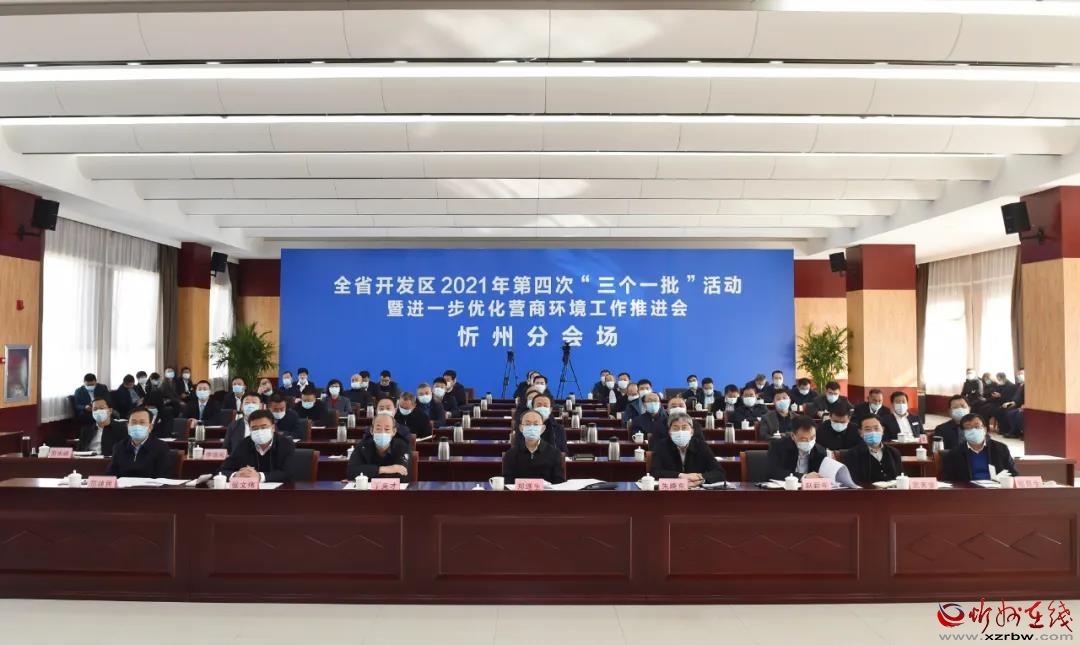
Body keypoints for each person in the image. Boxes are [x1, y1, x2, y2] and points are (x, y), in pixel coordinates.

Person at [649, 412, 726, 487]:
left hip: (697, 490)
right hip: (671, 490)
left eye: (684, 428)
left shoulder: (701, 445)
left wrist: (700, 478)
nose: (680, 431)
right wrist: (680, 476)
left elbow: (719, 472)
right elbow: (654, 472)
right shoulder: (661, 446)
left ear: (692, 432)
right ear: (669, 432)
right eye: (675, 428)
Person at [220, 409, 296, 483]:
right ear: (250, 430)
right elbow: (222, 470)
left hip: (280, 490)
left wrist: (259, 476)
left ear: (273, 428)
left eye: (263, 427)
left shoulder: (285, 443)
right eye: (254, 428)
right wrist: (236, 475)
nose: (259, 431)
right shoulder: (244, 444)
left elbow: (288, 473)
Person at [939, 413, 1019, 483]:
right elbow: (947, 479)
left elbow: (1013, 474)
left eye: (977, 426)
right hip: (968, 492)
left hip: (996, 491)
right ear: (964, 433)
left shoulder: (1000, 448)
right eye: (968, 427)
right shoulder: (955, 453)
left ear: (985, 429)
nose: (973, 430)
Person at [501, 410, 566, 484]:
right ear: (521, 428)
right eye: (527, 424)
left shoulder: (555, 454)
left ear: (542, 429)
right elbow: (507, 484)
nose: (532, 427)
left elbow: (559, 484)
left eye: (536, 424)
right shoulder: (510, 455)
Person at [106, 407, 171, 478]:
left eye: (142, 422)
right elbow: (110, 475)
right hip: (124, 485)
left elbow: (162, 477)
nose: (137, 426)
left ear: (150, 427)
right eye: (133, 422)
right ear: (127, 426)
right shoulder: (119, 447)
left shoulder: (161, 447)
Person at [840, 414, 902, 487]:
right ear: (860, 433)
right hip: (866, 492)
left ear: (883, 430)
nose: (873, 432)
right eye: (868, 429)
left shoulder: (894, 452)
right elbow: (853, 483)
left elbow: (900, 477)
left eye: (876, 428)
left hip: (892, 492)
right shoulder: (852, 455)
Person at [346, 414, 411, 481]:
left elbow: (403, 475)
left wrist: (370, 473)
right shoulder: (363, 446)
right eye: (378, 429)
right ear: (371, 430)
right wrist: (383, 469)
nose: (382, 433)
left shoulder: (402, 446)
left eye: (387, 429)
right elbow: (351, 472)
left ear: (394, 432)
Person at [766, 415, 829, 480]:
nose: (809, 442)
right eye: (804, 439)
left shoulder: (820, 451)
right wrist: (803, 477)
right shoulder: (778, 446)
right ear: (793, 436)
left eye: (812, 438)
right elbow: (773, 472)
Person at [996, 369, 1025, 438]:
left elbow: (1025, 398)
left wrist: (1022, 405)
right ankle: (1007, 430)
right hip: (1015, 403)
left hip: (1022, 405)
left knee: (1013, 413)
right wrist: (1011, 402)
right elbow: (1016, 397)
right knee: (1002, 410)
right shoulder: (1018, 385)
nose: (1019, 376)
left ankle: (1015, 432)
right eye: (1018, 374)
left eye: (1021, 374)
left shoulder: (1027, 385)